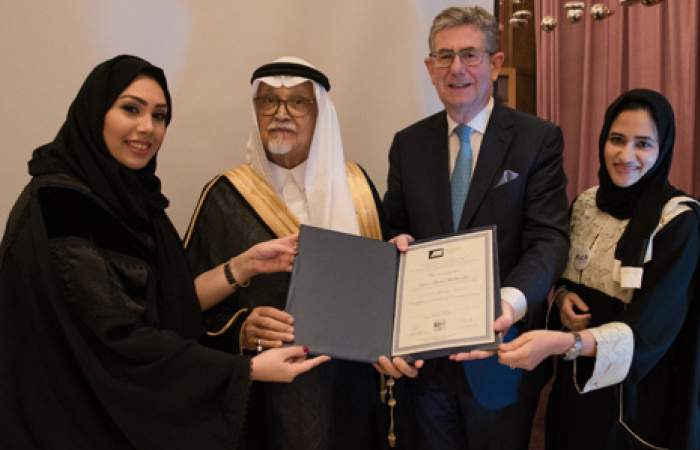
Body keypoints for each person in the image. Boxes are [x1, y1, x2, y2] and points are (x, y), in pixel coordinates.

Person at [0, 54, 328, 450]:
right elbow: (115, 339)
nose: (147, 128)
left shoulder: (133, 201)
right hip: (75, 420)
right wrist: (245, 370)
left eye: (159, 115)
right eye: (131, 109)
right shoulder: (60, 206)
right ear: (95, 111)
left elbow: (169, 304)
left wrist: (245, 265)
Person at [183, 57, 401, 450]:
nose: (281, 113)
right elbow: (184, 304)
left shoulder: (358, 188)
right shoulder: (225, 197)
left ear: (320, 114)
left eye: (297, 102)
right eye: (268, 102)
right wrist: (242, 329)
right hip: (267, 400)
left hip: (352, 390)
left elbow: (382, 287)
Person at [378, 6, 570, 450]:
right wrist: (396, 246)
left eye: (470, 54)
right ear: (429, 68)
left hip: (501, 358)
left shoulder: (536, 139)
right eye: (443, 57)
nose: (457, 68)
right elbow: (396, 229)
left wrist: (509, 303)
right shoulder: (407, 145)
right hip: (424, 366)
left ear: (495, 63)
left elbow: (549, 238)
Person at [498, 89, 700, 449]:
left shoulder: (677, 222)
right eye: (617, 140)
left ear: (663, 148)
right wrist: (561, 298)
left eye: (643, 144)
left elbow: (651, 330)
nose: (626, 156)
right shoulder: (585, 203)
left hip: (635, 403)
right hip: (574, 392)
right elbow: (567, 272)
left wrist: (563, 342)